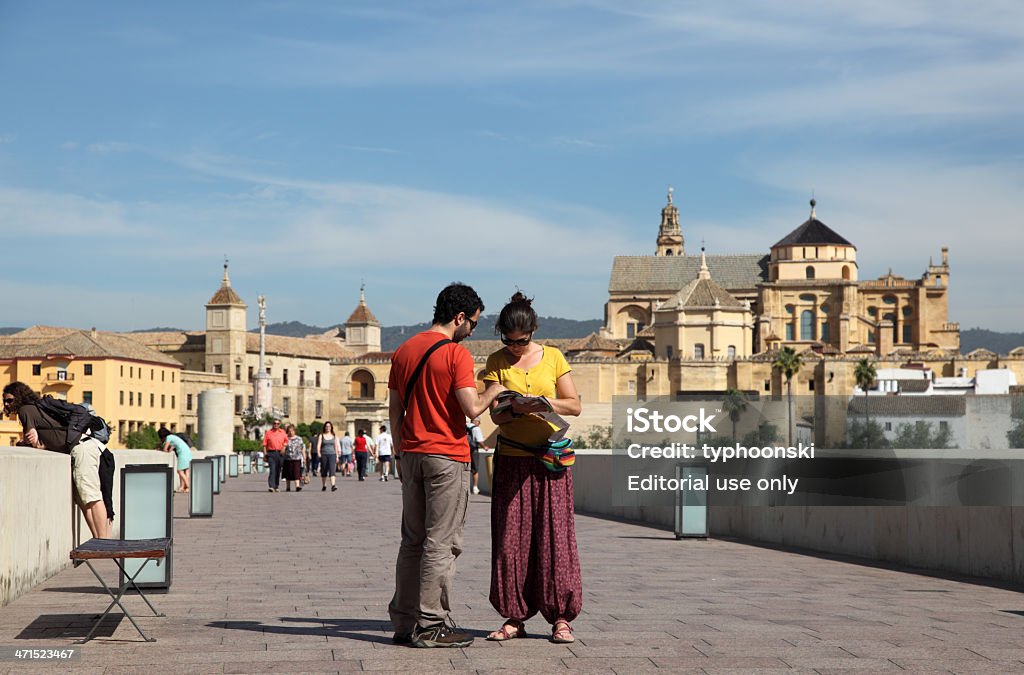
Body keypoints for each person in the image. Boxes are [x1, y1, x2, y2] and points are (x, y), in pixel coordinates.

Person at [387, 282, 507, 649]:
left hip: (411, 454)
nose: (472, 331)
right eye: (472, 324)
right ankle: (431, 624)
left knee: (412, 542)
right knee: (442, 543)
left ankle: (405, 622)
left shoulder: (405, 350)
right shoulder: (457, 356)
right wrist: (495, 390)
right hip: (446, 456)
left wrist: (399, 450)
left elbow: (395, 408)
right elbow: (472, 409)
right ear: (459, 318)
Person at [482, 292, 583, 644]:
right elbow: (493, 412)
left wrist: (543, 403)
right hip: (511, 458)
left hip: (550, 460)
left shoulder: (553, 357)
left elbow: (574, 406)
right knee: (511, 541)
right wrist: (514, 410)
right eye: (507, 341)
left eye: (520, 342)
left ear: (533, 332)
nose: (513, 347)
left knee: (555, 539)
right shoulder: (495, 361)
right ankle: (514, 616)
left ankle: (560, 618)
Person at [3, 381, 112, 539]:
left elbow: (32, 438)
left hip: (82, 448)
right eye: (4, 400)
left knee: (92, 497)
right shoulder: (37, 407)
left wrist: (28, 443)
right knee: (83, 500)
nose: (6, 404)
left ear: (19, 398)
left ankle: (104, 543)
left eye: (10, 400)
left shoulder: (25, 410)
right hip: (84, 446)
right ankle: (98, 540)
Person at [158, 427, 193, 493]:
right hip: (188, 452)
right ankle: (182, 487)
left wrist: (163, 449)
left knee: (179, 471)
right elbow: (173, 447)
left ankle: (188, 486)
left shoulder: (169, 437)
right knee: (186, 471)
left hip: (183, 454)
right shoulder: (173, 437)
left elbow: (165, 449)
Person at [262, 418, 288, 492]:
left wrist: (284, 447)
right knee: (272, 470)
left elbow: (286, 441)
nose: (276, 425)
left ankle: (276, 486)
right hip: (271, 453)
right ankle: (271, 486)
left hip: (280, 453)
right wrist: (264, 454)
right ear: (272, 424)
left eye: (277, 423)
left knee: (278, 470)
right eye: (274, 423)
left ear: (279, 424)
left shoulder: (282, 432)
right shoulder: (268, 433)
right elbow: (264, 444)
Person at [466, 417, 488, 495]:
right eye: (479, 422)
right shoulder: (476, 429)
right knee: (475, 469)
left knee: (465, 468)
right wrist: (484, 446)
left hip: (465, 449)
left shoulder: (465, 426)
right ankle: (475, 487)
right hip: (473, 450)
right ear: (476, 421)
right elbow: (479, 440)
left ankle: (465, 487)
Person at [317, 421, 341, 492]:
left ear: (331, 427)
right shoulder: (321, 435)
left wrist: (337, 456)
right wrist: (319, 453)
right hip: (324, 454)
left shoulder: (334, 436)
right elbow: (319, 445)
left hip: (332, 454)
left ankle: (333, 485)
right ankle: (324, 485)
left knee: (332, 470)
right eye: (326, 426)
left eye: (329, 426)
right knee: (324, 470)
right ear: (324, 427)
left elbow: (336, 446)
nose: (328, 428)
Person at [282, 424, 307, 492]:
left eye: (292, 431)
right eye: (289, 431)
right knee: (288, 473)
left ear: (294, 431)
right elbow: (283, 448)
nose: (291, 432)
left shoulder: (299, 439)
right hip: (288, 458)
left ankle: (297, 486)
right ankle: (288, 487)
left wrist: (304, 457)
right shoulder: (286, 438)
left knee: (297, 472)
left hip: (297, 458)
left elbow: (302, 448)